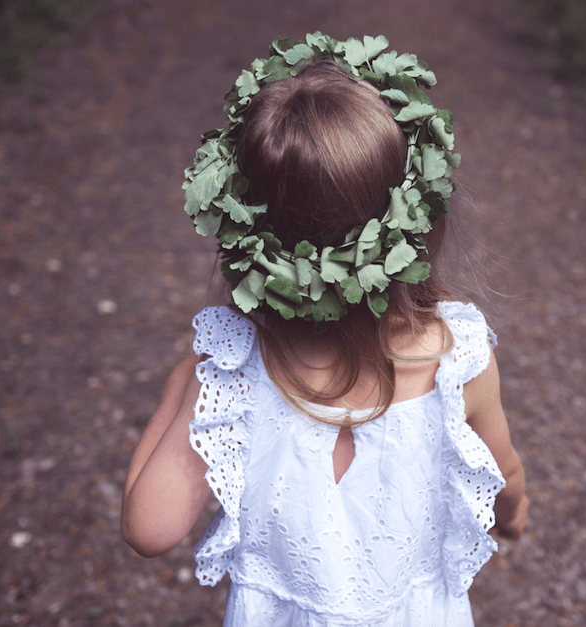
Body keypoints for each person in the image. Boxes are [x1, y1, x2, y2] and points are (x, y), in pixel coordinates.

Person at [121, 33, 528, 627]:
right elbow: (504, 472)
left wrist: (183, 389)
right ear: (415, 222)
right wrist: (514, 515)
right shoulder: (456, 357)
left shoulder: (230, 377)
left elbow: (148, 528)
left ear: (245, 238)